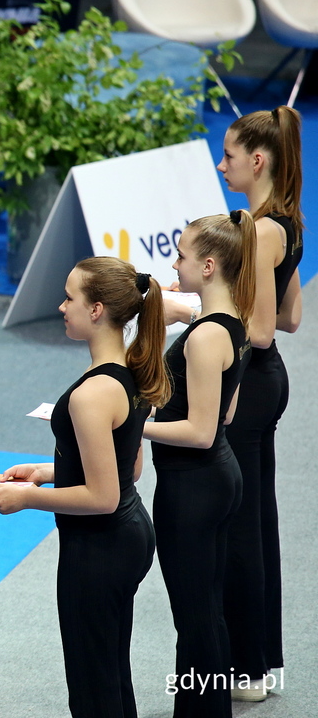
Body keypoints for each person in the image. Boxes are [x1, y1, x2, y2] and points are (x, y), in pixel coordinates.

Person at [0, 258, 170, 717]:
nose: (62, 307)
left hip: (99, 547)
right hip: (128, 533)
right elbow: (129, 468)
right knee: (110, 671)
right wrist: (45, 473)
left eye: (70, 298)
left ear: (98, 310)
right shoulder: (132, 370)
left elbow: (100, 497)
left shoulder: (91, 394)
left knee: (92, 685)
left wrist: (26, 498)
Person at [143, 211, 257, 717]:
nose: (175, 263)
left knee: (194, 616)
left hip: (193, 486)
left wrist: (131, 424)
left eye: (182, 256)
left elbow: (201, 430)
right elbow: (226, 410)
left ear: (208, 266)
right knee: (205, 611)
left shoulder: (207, 336)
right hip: (214, 477)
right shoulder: (232, 323)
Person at [217, 107, 303, 702]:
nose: (221, 165)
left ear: (258, 159)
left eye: (228, 155)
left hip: (251, 382)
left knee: (238, 523)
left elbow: (266, 328)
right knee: (256, 519)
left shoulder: (258, 228)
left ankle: (245, 670)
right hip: (269, 382)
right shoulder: (287, 222)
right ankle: (260, 662)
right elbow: (295, 315)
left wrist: (199, 313)